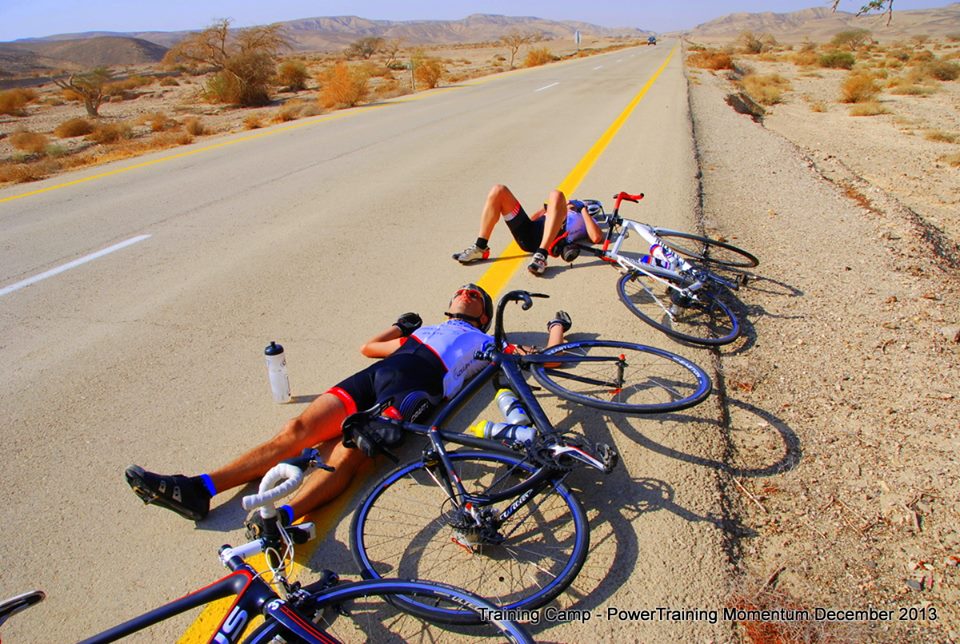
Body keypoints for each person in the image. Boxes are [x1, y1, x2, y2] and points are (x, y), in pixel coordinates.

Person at [125, 283, 573, 529]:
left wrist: (556, 326)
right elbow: (367, 348)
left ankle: (281, 517)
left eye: (476, 294)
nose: (468, 291)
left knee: (348, 455)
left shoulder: (486, 342)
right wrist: (398, 326)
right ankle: (198, 489)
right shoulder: (426, 329)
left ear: (481, 315)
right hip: (377, 374)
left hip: (413, 389)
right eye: (462, 289)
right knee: (296, 430)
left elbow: (544, 360)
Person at [452, 184, 604, 276]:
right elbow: (531, 221)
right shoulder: (556, 212)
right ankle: (480, 246)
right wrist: (548, 209)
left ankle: (541, 256)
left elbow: (597, 237)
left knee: (556, 193)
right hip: (530, 235)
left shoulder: (583, 217)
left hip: (551, 241)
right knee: (499, 190)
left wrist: (582, 208)